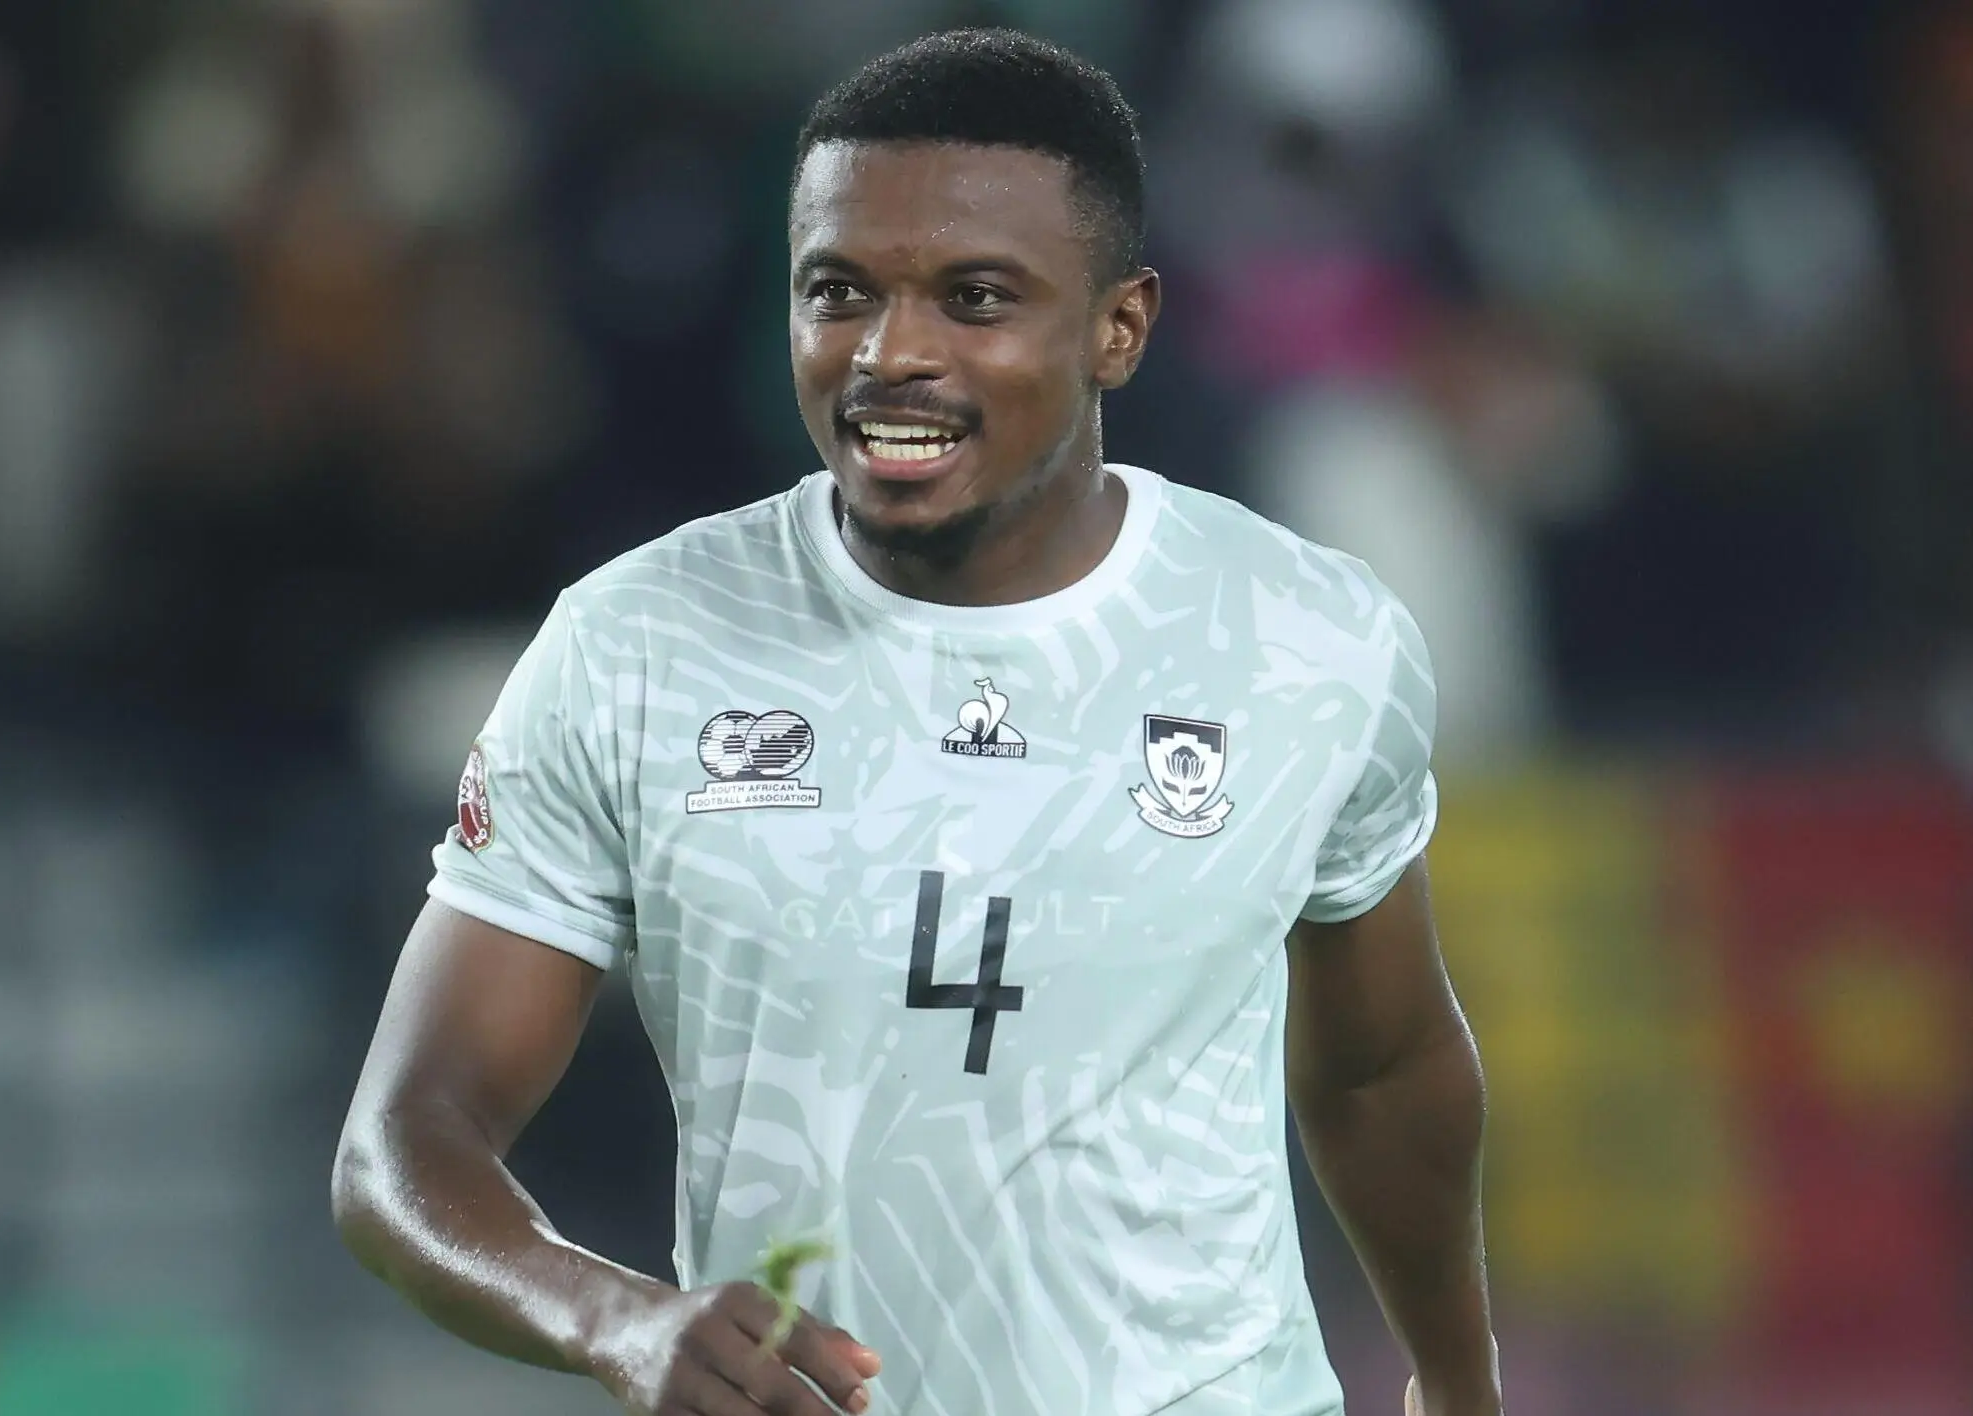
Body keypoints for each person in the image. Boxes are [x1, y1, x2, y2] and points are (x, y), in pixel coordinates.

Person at [334, 28, 1502, 1416]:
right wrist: (616, 1321)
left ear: (1115, 326)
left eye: (974, 298)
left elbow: (1380, 1073)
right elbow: (405, 1143)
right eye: (838, 292)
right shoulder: (636, 643)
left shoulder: (1307, 638)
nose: (891, 354)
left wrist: (1452, 1379)